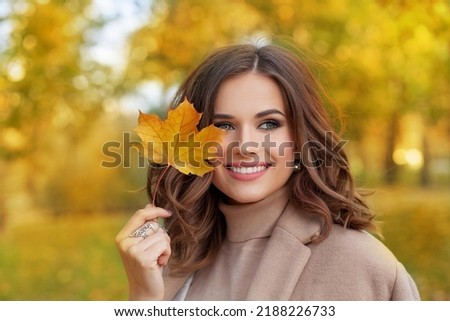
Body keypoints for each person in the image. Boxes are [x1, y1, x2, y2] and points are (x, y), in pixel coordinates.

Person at [115, 42, 420, 301]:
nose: (246, 145)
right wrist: (144, 301)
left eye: (269, 124)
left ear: (301, 138)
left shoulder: (361, 264)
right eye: (223, 125)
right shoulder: (171, 263)